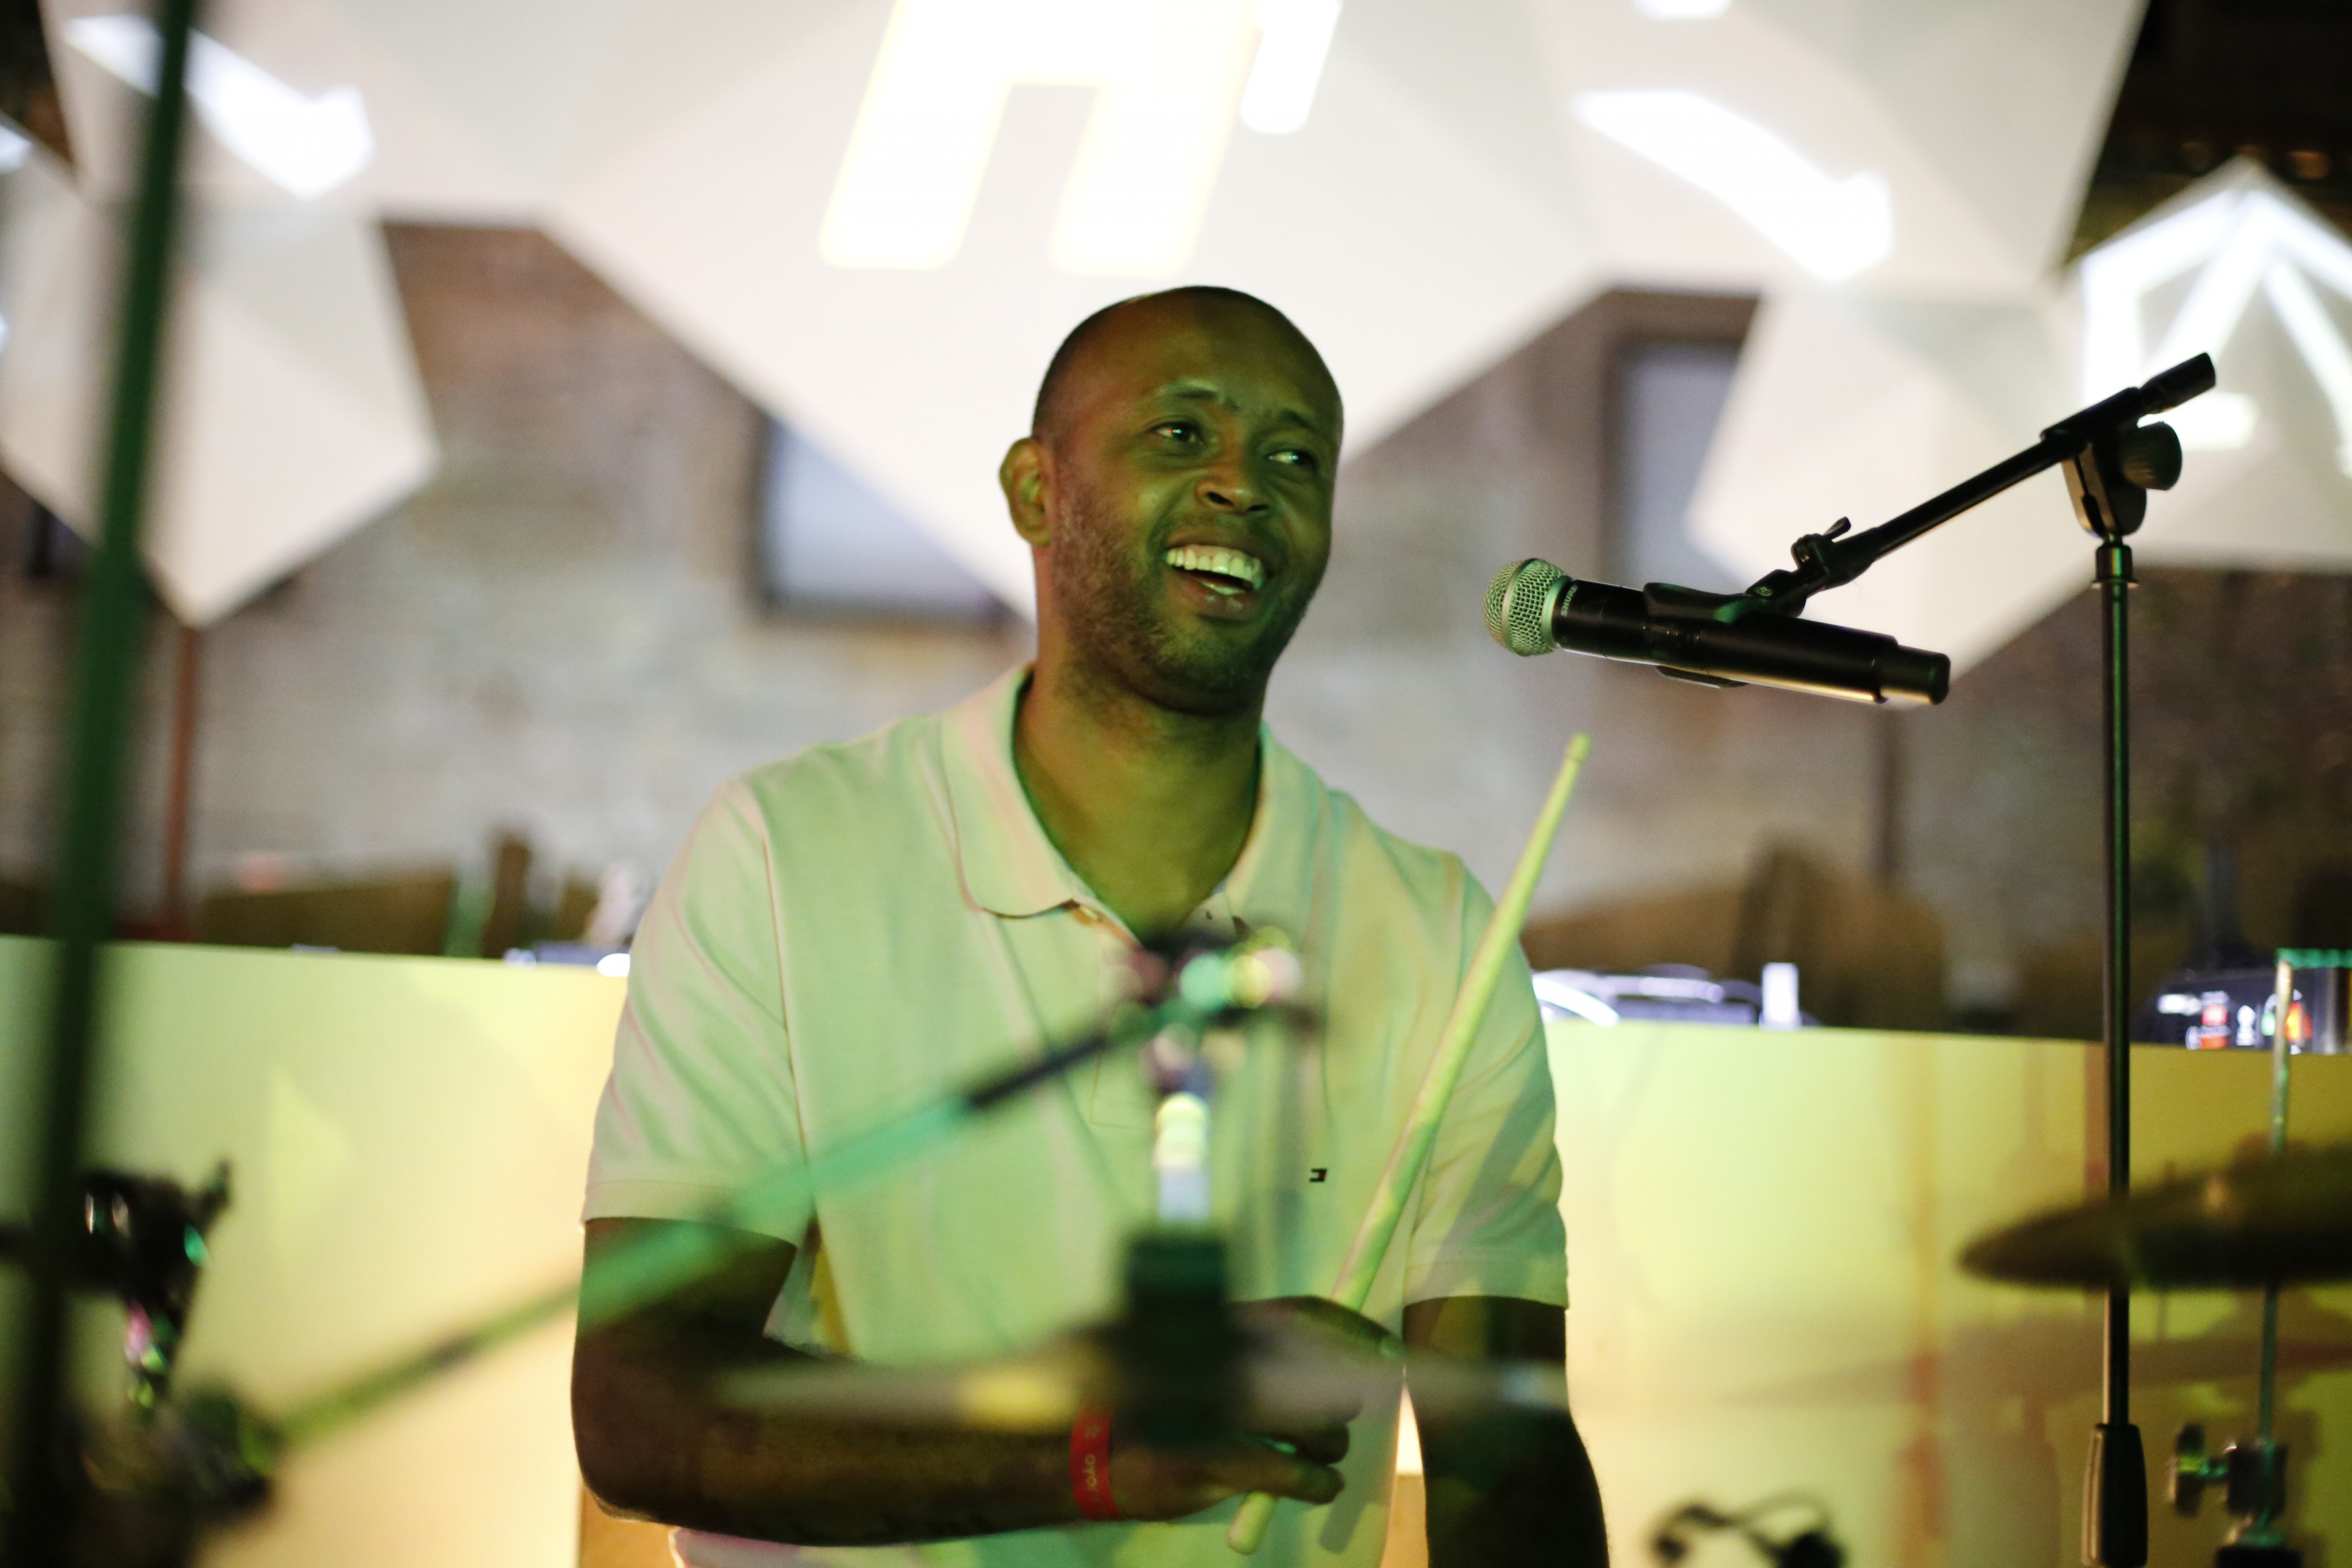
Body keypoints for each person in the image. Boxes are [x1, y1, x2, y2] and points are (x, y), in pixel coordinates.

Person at [571, 287, 1608, 1568]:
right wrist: (1092, 1449)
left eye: (1297, 458)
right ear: (1034, 491)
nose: (1243, 484)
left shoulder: (1437, 934)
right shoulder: (787, 853)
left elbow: (1505, 1457)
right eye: (1181, 433)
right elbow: (639, 1412)